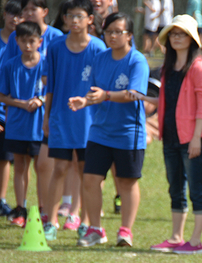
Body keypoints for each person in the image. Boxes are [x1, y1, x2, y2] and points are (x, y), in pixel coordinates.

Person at [68, 12, 149, 247]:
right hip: (100, 131)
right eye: (108, 32)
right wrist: (84, 101)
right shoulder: (101, 58)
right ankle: (95, 229)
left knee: (126, 183)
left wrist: (107, 96)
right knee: (91, 179)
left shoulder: (137, 61)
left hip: (128, 132)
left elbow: (134, 94)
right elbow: (95, 91)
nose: (112, 36)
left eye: (118, 32)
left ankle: (125, 231)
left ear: (130, 35)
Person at [145, 15, 202, 254]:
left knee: (196, 187)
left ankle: (195, 242)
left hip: (192, 138)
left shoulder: (199, 67)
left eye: (182, 33)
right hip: (170, 136)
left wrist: (195, 138)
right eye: (173, 33)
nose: (176, 38)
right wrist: (143, 98)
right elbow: (167, 100)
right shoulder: (167, 68)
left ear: (192, 38)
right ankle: (175, 237)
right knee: (175, 186)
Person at [42, 0, 106, 241]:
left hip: (89, 120)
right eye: (70, 16)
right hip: (60, 117)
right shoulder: (56, 47)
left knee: (86, 171)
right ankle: (51, 221)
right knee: (59, 169)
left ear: (90, 19)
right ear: (65, 19)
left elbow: (102, 88)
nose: (75, 21)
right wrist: (47, 116)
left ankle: (87, 222)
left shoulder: (98, 48)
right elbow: (51, 86)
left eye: (80, 16)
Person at [0, 22, 45, 227]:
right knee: (19, 165)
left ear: (40, 42)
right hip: (17, 125)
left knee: (41, 167)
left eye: (32, 41)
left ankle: (43, 209)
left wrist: (40, 100)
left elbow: (51, 91)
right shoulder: (9, 66)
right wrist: (20, 103)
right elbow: (2, 95)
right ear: (16, 41)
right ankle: (21, 208)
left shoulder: (45, 64)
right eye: (23, 41)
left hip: (39, 126)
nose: (28, 45)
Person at [0, 0, 23, 217]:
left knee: (5, 157)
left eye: (19, 15)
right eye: (11, 14)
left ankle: (2, 199)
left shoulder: (25, 41)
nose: (14, 19)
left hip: (11, 111)